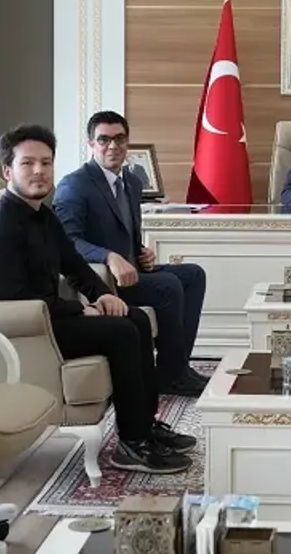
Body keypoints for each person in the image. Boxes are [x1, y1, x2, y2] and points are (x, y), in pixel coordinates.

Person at [0, 123, 195, 475]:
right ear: (8, 171)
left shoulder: (43, 215)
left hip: (46, 317)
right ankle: (132, 445)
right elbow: (19, 300)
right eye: (28, 163)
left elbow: (74, 265)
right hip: (19, 329)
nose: (39, 171)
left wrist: (102, 294)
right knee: (122, 332)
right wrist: (81, 309)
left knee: (134, 317)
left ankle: (145, 426)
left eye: (46, 162)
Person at [53, 111, 208, 397]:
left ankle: (177, 367)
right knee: (168, 285)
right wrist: (109, 256)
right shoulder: (74, 185)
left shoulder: (132, 182)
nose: (113, 146)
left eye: (119, 139)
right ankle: (172, 377)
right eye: (104, 140)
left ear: (127, 142)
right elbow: (67, 241)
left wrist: (141, 252)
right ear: (91, 144)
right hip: (104, 280)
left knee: (193, 275)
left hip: (133, 271)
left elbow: (126, 231)